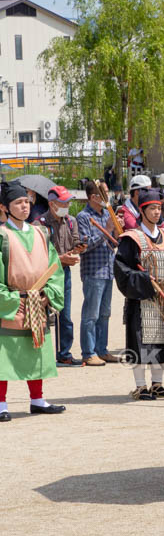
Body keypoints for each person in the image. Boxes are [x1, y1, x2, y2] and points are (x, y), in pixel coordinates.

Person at [114, 189, 164, 401]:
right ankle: (141, 386)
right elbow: (122, 270)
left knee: (163, 341)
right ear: (142, 210)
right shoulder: (132, 238)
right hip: (143, 300)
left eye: (159, 207)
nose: (157, 212)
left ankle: (157, 384)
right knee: (141, 342)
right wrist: (145, 281)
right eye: (152, 208)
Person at [0, 181, 67, 422]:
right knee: (4, 355)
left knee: (37, 349)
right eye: (18, 203)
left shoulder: (41, 232)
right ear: (5, 208)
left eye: (26, 202)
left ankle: (37, 399)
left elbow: (54, 269)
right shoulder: (2, 235)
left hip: (38, 300)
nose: (24, 207)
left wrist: (49, 292)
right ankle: (1, 403)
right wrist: (8, 299)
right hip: (12, 302)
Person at [39, 186, 85, 367]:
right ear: (51, 204)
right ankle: (43, 354)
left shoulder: (71, 221)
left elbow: (75, 241)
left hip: (64, 273)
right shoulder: (39, 224)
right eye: (63, 202)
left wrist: (79, 249)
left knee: (64, 315)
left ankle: (64, 353)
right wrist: (62, 259)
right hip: (44, 275)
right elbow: (39, 255)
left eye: (68, 201)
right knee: (43, 314)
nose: (67, 205)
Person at [76, 182, 119, 367]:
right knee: (90, 314)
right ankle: (88, 352)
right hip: (93, 271)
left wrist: (116, 230)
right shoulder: (84, 217)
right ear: (94, 197)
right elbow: (84, 246)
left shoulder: (107, 214)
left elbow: (114, 243)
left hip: (108, 270)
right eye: (104, 193)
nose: (107, 197)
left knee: (105, 313)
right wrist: (107, 230)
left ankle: (102, 350)